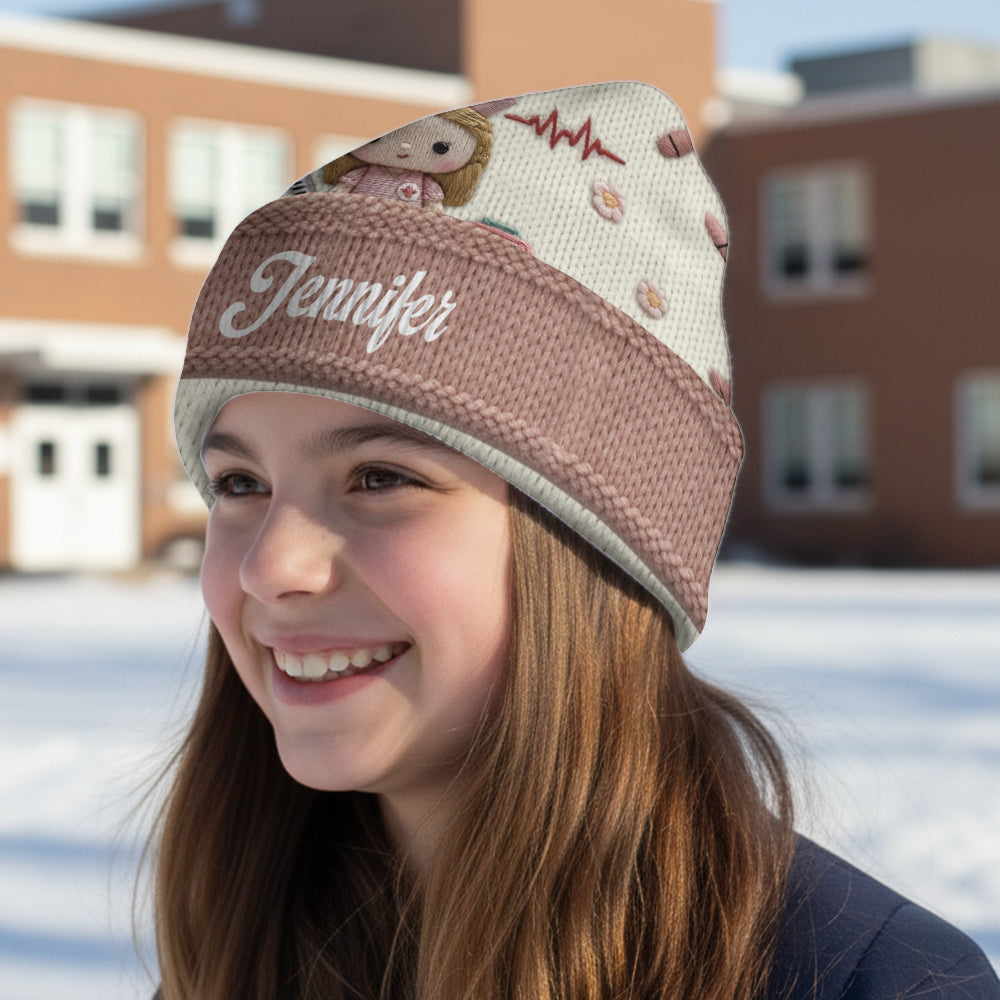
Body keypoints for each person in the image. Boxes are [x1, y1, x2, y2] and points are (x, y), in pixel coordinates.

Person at [156, 82, 999, 1000]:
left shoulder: (876, 984)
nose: (272, 565)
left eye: (382, 478)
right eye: (239, 484)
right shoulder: (244, 950)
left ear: (598, 548)